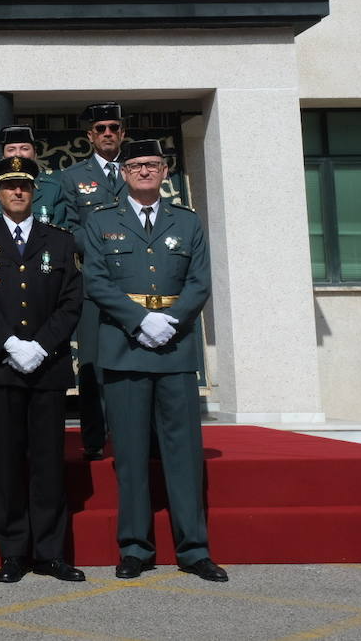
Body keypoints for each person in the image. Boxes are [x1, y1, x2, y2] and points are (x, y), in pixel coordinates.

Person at [80, 139, 227, 583]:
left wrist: (172, 320)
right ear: (123, 172)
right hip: (125, 347)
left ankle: (194, 549)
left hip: (175, 348)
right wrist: (141, 320)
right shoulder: (101, 221)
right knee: (129, 455)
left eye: (153, 165)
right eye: (136, 165)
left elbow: (201, 280)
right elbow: (95, 279)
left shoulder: (188, 221)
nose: (144, 171)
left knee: (183, 454)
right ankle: (135, 548)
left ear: (165, 171)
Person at [0, 157, 85, 585]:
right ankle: (13, 552)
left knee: (49, 463)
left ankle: (51, 552)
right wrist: (11, 344)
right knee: (10, 462)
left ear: (34, 193)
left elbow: (72, 301)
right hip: (2, 368)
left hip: (47, 369)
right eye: (9, 186)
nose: (17, 192)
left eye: (24, 186)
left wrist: (41, 346)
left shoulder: (60, 239)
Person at [58, 103, 128, 462]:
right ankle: (94, 439)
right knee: (91, 364)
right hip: (92, 282)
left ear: (122, 133)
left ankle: (129, 435)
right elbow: (71, 227)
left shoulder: (137, 171)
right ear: (90, 136)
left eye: (113, 127)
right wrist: (104, 249)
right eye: (100, 128)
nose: (107, 134)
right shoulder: (72, 178)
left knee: (131, 363)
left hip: (133, 284)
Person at [0, 126, 73, 229]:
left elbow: (59, 234)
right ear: (3, 157)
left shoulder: (53, 189)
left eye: (24, 148)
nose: (18, 154)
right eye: (11, 149)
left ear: (35, 154)